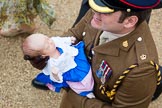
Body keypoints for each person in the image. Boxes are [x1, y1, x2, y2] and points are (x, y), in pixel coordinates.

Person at [25, 0, 162, 107]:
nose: (94, 13)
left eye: (105, 12)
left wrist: (75, 95)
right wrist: (51, 54)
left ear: (129, 21)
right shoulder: (100, 12)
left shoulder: (141, 69)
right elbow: (76, 33)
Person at [22, 33, 95, 98]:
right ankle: (86, 91)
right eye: (48, 46)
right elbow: (55, 78)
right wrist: (55, 74)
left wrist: (69, 40)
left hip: (74, 56)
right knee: (82, 81)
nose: (51, 42)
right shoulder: (53, 64)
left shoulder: (53, 41)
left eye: (47, 38)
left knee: (87, 65)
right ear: (43, 55)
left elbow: (61, 40)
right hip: (71, 69)